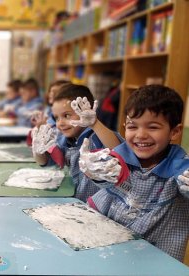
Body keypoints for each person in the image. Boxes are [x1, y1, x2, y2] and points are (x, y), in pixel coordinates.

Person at [79, 84, 189, 261]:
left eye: (152, 127)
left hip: (155, 252)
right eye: (132, 127)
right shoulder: (121, 157)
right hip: (109, 242)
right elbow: (113, 151)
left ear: (174, 131)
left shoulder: (180, 167)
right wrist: (96, 172)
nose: (140, 135)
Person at [32, 83, 122, 202]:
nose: (60, 123)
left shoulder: (97, 136)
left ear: (85, 110)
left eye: (67, 115)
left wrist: (94, 123)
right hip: (77, 202)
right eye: (57, 118)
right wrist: (38, 152)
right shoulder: (66, 140)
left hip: (99, 209)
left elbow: (119, 149)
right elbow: (48, 163)